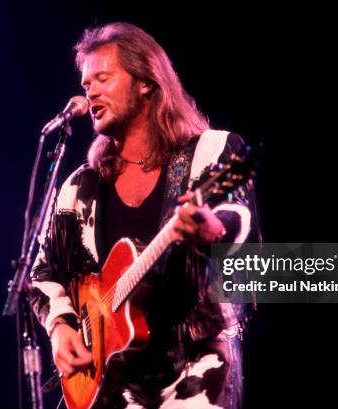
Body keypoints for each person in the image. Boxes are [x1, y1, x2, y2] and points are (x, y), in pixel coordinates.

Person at [30, 22, 260, 409]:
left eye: (102, 78)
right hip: (112, 380)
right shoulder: (80, 186)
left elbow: (244, 230)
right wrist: (59, 327)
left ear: (146, 83)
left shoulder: (211, 152)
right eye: (86, 84)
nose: (90, 91)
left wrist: (213, 230)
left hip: (197, 366)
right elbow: (41, 272)